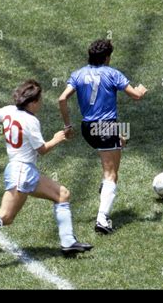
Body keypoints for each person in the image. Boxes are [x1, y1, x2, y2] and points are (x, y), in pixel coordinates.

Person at [0, 79, 93, 261]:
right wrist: (58, 138)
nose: (42, 102)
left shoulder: (9, 111)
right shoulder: (30, 121)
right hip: (21, 172)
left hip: (24, 170)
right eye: (40, 99)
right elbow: (43, 150)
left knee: (62, 194)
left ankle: (68, 242)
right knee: (5, 217)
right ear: (32, 102)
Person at [58, 39, 148, 234]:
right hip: (105, 127)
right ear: (107, 57)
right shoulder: (112, 73)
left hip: (87, 128)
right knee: (111, 174)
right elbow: (136, 96)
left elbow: (62, 98)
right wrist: (141, 90)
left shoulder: (78, 74)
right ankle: (102, 219)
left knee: (122, 136)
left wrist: (67, 125)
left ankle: (107, 182)